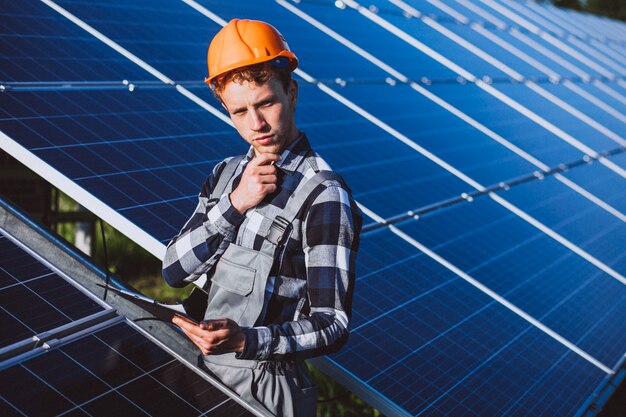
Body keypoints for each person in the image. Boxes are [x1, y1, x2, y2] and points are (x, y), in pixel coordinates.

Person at [162, 18, 361, 417]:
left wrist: (246, 341)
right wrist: (236, 204)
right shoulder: (224, 176)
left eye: (266, 103)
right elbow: (173, 270)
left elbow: (332, 323)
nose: (256, 125)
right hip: (200, 368)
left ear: (291, 91)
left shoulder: (324, 194)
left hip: (267, 387)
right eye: (240, 111)